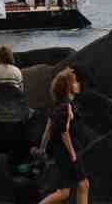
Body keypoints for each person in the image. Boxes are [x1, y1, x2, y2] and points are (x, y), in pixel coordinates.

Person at [36, 68, 89, 204]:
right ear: (68, 87)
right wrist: (72, 154)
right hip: (67, 152)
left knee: (65, 191)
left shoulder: (57, 106)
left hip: (60, 153)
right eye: (75, 82)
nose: (78, 84)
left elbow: (47, 132)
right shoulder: (66, 107)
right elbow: (64, 133)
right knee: (83, 185)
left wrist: (41, 150)